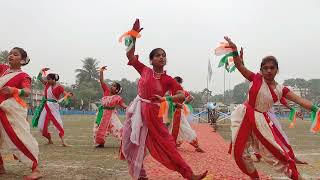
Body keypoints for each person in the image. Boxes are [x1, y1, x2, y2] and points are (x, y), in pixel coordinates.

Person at [120, 19, 207, 180]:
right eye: (158, 55)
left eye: (164, 55)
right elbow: (129, 55)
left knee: (167, 144)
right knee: (131, 143)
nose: (161, 57)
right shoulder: (144, 70)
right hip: (138, 110)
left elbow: (182, 95)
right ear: (151, 60)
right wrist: (133, 35)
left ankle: (189, 174)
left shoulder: (168, 79)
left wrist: (166, 99)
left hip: (154, 113)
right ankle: (141, 176)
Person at [224, 36, 319, 179]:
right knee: (239, 153)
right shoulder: (255, 78)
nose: (269, 70)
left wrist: (316, 109)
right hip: (243, 115)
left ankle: (297, 177)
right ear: (261, 70)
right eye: (265, 68)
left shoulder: (281, 90)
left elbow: (300, 100)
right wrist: (234, 51)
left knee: (274, 153)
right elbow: (239, 66)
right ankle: (254, 177)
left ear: (277, 70)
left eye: (272, 68)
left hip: (261, 121)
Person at [0, 47, 42, 179]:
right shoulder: (3, 69)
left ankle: (36, 169)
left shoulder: (24, 76)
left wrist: (14, 90)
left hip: (7, 110)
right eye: (10, 53)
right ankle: (0, 166)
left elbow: (27, 91)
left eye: (15, 54)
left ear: (22, 60)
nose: (11, 55)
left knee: (18, 137)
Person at [32, 68, 72, 147]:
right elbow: (39, 78)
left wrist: (68, 96)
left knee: (58, 123)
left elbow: (66, 94)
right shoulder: (47, 84)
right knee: (41, 126)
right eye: (47, 79)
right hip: (46, 106)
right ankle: (50, 140)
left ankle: (63, 142)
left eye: (49, 79)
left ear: (54, 80)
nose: (47, 80)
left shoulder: (60, 87)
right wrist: (41, 70)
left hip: (54, 107)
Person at [168, 76, 205, 153]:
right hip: (172, 112)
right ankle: (174, 144)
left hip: (178, 113)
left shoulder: (181, 90)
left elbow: (191, 97)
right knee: (172, 128)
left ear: (179, 82)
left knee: (184, 128)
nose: (173, 83)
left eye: (175, 82)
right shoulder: (172, 90)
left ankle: (196, 145)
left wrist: (183, 104)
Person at [94, 66, 127, 148]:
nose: (111, 86)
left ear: (117, 90)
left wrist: (131, 109)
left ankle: (126, 143)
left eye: (114, 86)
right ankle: (100, 143)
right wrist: (101, 72)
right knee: (97, 129)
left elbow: (123, 106)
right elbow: (101, 81)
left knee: (119, 128)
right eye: (112, 85)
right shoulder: (106, 91)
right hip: (101, 114)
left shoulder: (117, 98)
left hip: (112, 116)